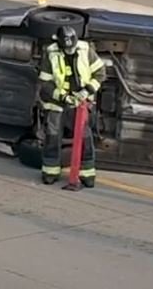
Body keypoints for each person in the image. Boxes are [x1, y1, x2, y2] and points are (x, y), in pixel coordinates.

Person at [37, 24, 103, 187]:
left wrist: (87, 91)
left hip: (81, 103)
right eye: (66, 48)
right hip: (57, 104)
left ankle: (87, 173)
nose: (70, 51)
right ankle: (50, 171)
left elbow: (100, 74)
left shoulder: (85, 50)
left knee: (85, 138)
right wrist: (63, 97)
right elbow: (45, 83)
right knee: (52, 137)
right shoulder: (51, 53)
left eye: (72, 47)